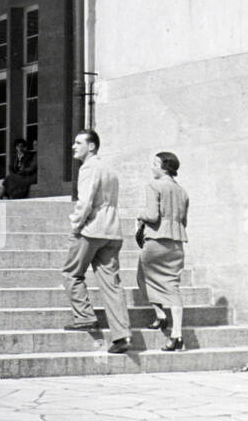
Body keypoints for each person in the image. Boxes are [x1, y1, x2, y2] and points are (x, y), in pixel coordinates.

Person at [61, 129, 131, 353]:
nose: (74, 146)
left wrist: (75, 225)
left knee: (72, 273)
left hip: (91, 230)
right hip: (112, 231)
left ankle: (84, 317)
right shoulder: (109, 168)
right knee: (112, 285)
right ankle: (121, 336)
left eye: (78, 142)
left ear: (91, 147)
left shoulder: (89, 167)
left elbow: (86, 201)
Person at [136, 151, 190, 352]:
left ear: (164, 167)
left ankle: (160, 314)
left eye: (155, 164)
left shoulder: (154, 186)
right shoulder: (182, 192)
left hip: (156, 241)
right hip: (177, 243)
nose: (152, 167)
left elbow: (152, 215)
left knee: (142, 277)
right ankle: (177, 334)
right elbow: (184, 220)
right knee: (172, 286)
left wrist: (139, 215)